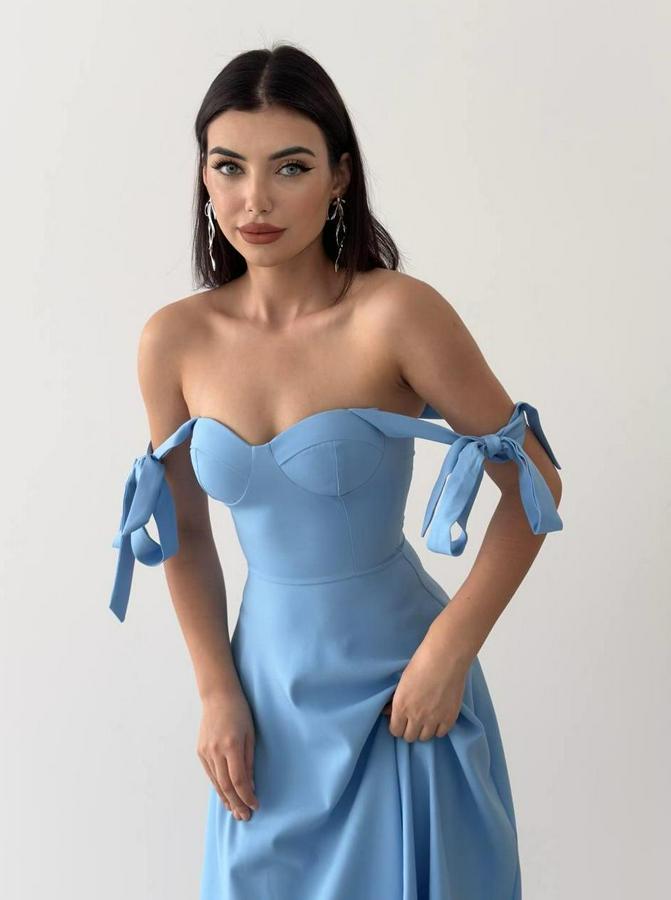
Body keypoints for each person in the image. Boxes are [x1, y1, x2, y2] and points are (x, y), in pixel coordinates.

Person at [109, 43, 563, 900]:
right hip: (264, 703)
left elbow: (534, 486)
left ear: (339, 176)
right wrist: (215, 692)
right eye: (229, 166)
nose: (255, 200)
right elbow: (185, 530)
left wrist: (448, 652)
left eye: (289, 167)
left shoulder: (394, 314)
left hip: (401, 693)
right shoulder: (174, 339)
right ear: (203, 177)